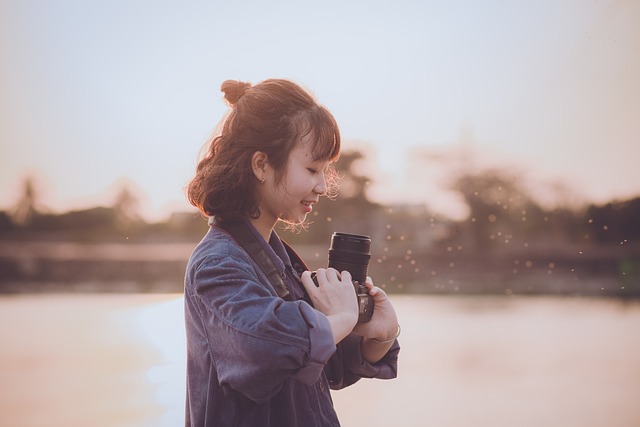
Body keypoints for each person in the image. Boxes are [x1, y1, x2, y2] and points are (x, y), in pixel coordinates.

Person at [184, 78, 400, 426]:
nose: (322, 186)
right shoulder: (218, 264)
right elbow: (267, 351)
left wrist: (378, 334)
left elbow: (326, 366)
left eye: (325, 171)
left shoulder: (280, 261)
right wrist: (341, 318)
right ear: (261, 165)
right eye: (312, 169)